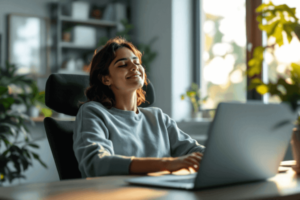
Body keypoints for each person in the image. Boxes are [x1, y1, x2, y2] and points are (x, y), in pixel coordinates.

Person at [73, 37, 205, 178]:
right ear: (106, 79)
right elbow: (96, 164)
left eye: (137, 62)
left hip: (160, 192)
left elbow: (195, 151)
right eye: (123, 64)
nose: (134, 67)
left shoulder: (157, 117)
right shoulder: (93, 112)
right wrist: (166, 164)